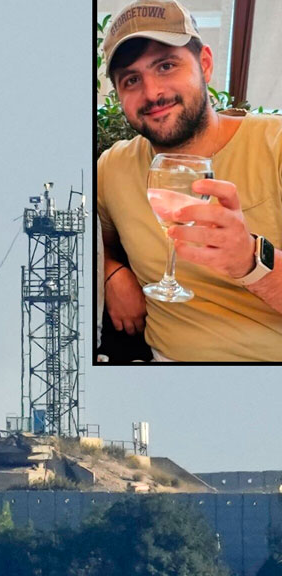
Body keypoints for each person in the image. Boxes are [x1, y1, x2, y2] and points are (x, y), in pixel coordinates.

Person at [98, 0, 282, 361]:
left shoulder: (274, 147)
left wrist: (251, 261)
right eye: (131, 80)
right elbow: (91, 240)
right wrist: (111, 272)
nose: (152, 93)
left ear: (206, 65)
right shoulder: (113, 167)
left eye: (166, 66)